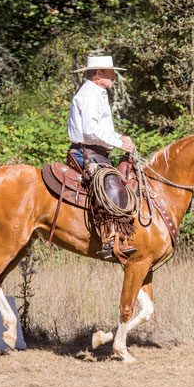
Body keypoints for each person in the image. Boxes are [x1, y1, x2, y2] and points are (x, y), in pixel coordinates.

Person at [68, 55, 137, 258]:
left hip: (95, 151)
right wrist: (118, 143)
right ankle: (111, 240)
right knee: (112, 184)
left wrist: (120, 138)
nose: (114, 76)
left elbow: (100, 129)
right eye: (111, 72)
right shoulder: (89, 94)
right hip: (87, 152)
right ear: (99, 74)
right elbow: (90, 131)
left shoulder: (97, 92)